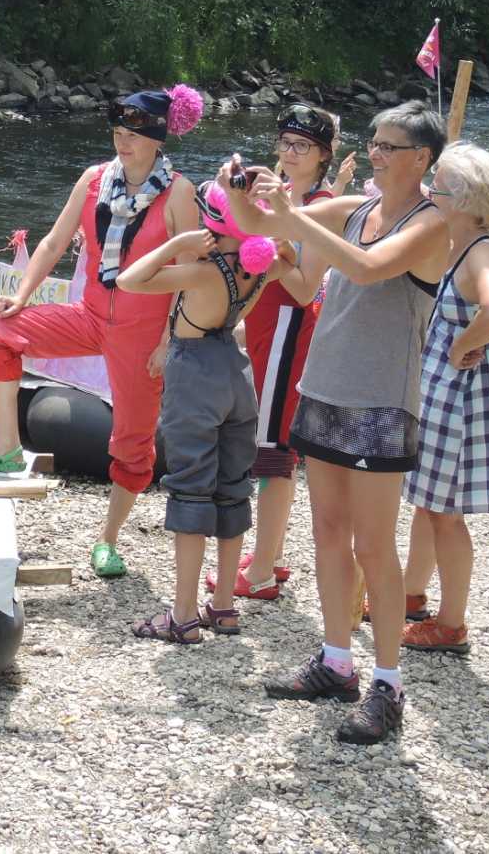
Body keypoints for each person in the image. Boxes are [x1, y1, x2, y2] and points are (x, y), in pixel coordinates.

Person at [223, 100, 448, 745]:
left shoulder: (432, 222)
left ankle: (388, 683)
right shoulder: (352, 210)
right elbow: (257, 226)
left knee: (374, 545)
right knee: (327, 533)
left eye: (388, 145)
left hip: (382, 401)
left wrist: (294, 217)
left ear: (422, 158)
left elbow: (369, 266)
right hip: (322, 389)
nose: (374, 153)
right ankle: (335, 659)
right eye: (373, 142)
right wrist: (240, 192)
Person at [0, 85, 203, 578]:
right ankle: (5, 448)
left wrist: (168, 341)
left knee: (133, 444)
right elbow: (52, 243)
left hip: (141, 335)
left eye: (132, 134)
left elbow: (192, 273)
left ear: (157, 141)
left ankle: (108, 540)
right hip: (88, 315)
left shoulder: (180, 193)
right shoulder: (94, 179)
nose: (122, 142)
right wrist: (21, 296)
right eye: (116, 132)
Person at [119, 183, 290, 643]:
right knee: (233, 487)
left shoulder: (201, 270)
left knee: (191, 488)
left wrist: (176, 245)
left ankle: (182, 614)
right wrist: (277, 231)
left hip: (195, 371)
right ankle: (224, 607)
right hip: (237, 372)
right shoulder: (263, 265)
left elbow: (127, 279)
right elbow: (300, 269)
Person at [209, 103, 355, 601]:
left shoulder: (322, 202)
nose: (290, 154)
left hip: (292, 328)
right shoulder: (281, 191)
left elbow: (304, 286)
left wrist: (270, 257)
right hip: (266, 328)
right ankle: (269, 553)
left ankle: (262, 572)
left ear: (322, 155)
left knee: (273, 452)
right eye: (285, 144)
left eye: (303, 147)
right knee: (272, 449)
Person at [399, 143, 489, 656]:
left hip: (462, 399)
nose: (428, 191)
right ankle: (410, 595)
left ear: (464, 199)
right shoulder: (451, 242)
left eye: (437, 185)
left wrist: (461, 347)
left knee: (445, 512)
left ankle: (451, 625)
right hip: (442, 393)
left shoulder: (482, 251)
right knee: (427, 503)